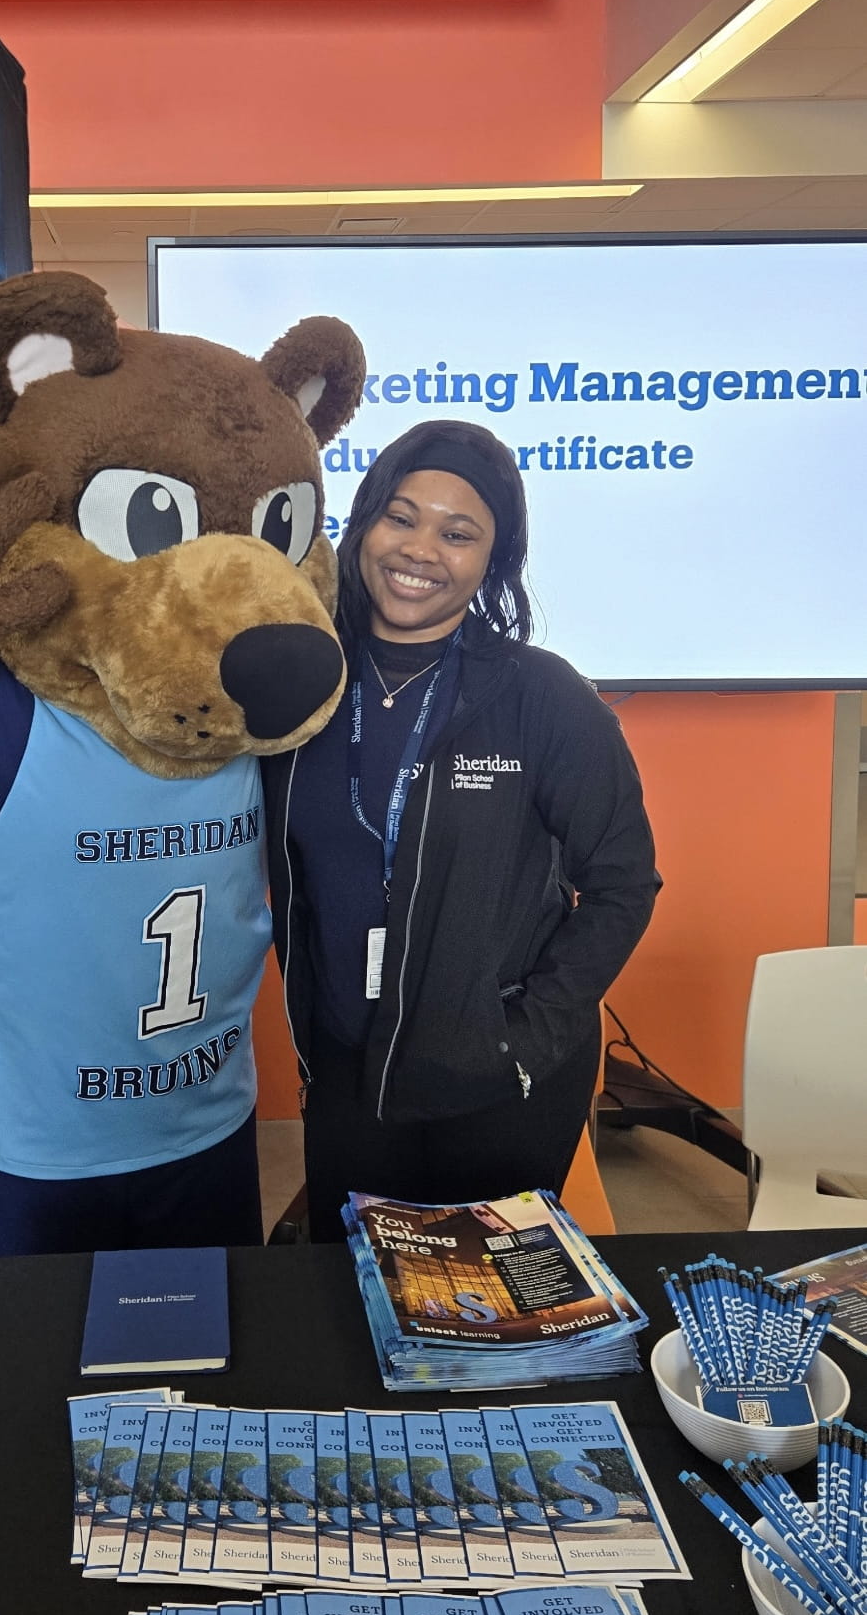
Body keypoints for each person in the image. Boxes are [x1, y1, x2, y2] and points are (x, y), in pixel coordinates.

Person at [266, 421, 659, 1239]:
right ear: (365, 522)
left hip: (496, 1082)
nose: (420, 551)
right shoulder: (306, 686)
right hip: (345, 1070)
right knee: (358, 1298)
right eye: (400, 517)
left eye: (458, 534)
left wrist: (527, 1037)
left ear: (491, 560)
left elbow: (622, 885)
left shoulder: (541, 696)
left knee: (493, 1320)